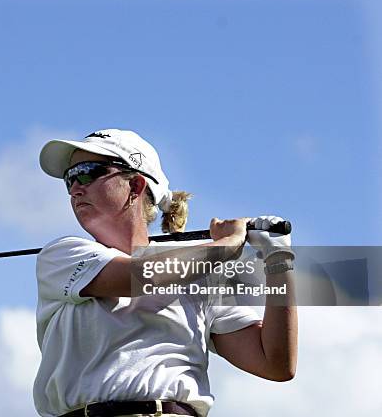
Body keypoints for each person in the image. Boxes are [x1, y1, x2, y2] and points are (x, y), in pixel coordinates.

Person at [34, 129, 297, 417]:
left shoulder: (203, 273)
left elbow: (275, 364)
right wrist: (228, 245)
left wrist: (278, 261)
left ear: (135, 186)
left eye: (87, 173)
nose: (75, 188)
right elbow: (142, 276)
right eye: (69, 178)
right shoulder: (62, 256)